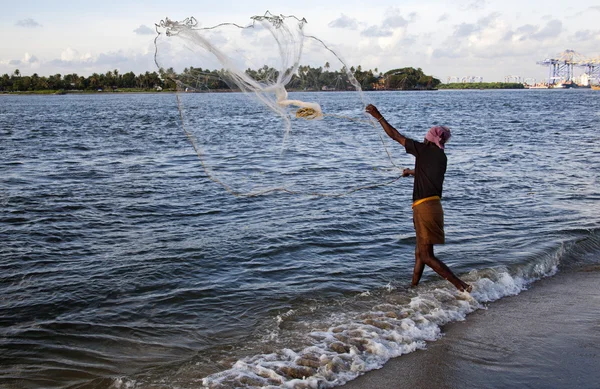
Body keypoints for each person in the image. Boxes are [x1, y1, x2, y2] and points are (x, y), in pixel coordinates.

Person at [365, 104, 472, 293]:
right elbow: (428, 173)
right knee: (420, 253)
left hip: (424, 208)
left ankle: (462, 286)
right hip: (434, 207)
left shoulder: (423, 149)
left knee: (427, 255)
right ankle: (412, 288)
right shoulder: (441, 156)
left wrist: (377, 115)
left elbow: (395, 136)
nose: (424, 137)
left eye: (426, 135)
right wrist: (411, 172)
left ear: (430, 138)